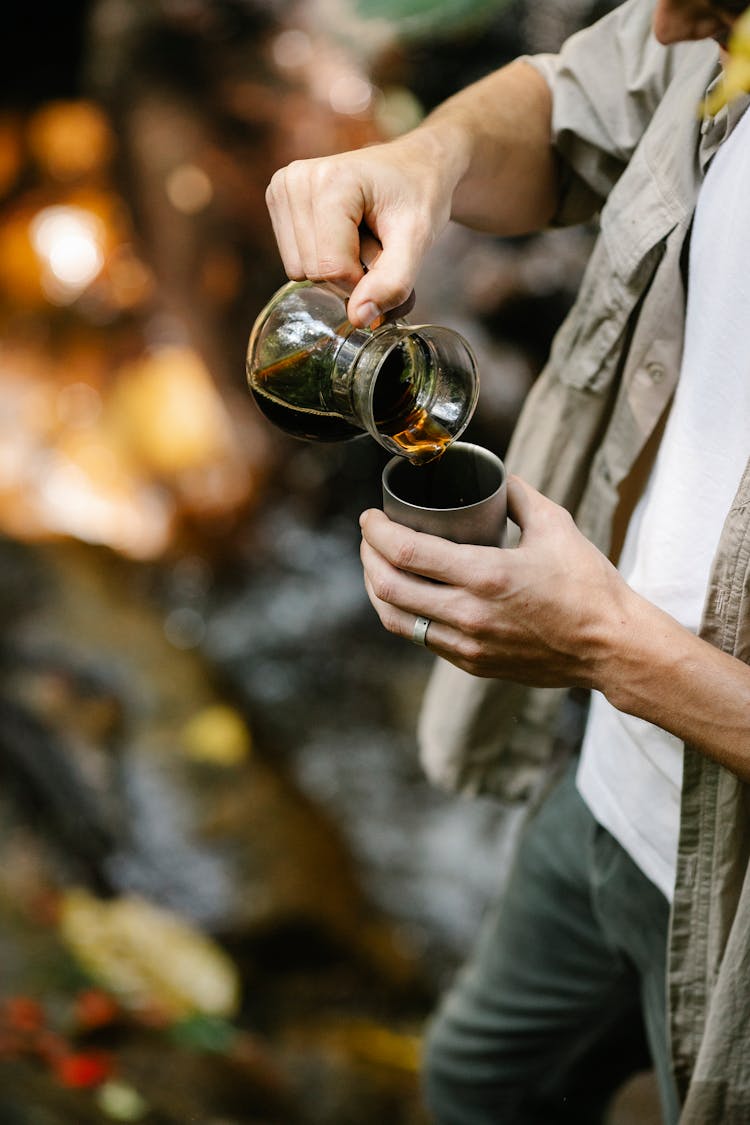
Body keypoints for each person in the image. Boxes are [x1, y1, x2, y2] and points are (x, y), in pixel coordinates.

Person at [264, 0, 750, 1120]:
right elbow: (579, 93)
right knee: (479, 1082)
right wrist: (423, 158)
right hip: (613, 790)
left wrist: (608, 648)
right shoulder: (715, 48)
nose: (669, 19)